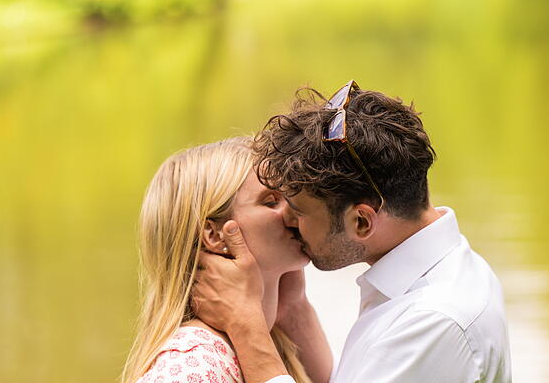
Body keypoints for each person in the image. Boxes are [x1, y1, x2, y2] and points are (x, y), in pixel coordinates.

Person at [193, 81, 513, 382]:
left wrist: (244, 324)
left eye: (299, 211)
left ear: (361, 222)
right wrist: (294, 309)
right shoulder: (438, 272)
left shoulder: (435, 320)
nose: (287, 219)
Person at [121, 137, 332, 383]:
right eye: (271, 201)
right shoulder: (194, 366)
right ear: (214, 234)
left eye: (290, 195)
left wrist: (293, 308)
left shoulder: (265, 347)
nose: (295, 210)